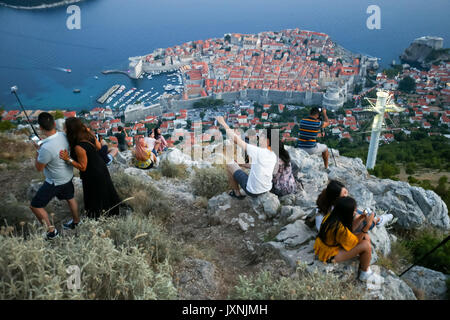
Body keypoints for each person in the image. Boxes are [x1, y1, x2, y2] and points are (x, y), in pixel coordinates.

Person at [29, 112, 80, 240]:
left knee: (35, 205)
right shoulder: (63, 135)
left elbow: (39, 168)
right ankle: (76, 221)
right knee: (70, 198)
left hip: (55, 182)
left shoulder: (45, 148)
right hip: (68, 176)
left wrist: (38, 150)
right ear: (53, 124)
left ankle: (51, 232)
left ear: (40, 128)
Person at [60, 117, 121, 219]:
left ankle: (96, 217)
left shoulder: (79, 147)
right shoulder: (89, 136)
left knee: (94, 197)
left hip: (92, 173)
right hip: (101, 167)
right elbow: (99, 147)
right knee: (106, 192)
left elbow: (83, 167)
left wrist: (68, 159)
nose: (64, 130)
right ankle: (111, 214)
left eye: (66, 128)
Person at [314, 196, 384, 283]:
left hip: (325, 245)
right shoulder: (339, 228)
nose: (355, 212)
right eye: (354, 210)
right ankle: (364, 273)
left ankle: (365, 265)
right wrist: (367, 226)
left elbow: (349, 232)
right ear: (346, 212)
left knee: (365, 237)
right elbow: (354, 242)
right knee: (366, 245)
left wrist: (361, 217)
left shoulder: (332, 216)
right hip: (329, 254)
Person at [216, 116, 277, 199]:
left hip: (253, 191)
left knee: (230, 164)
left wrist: (223, 123)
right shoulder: (273, 154)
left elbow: (236, 140)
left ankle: (237, 194)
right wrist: (242, 164)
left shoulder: (258, 151)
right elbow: (257, 166)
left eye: (262, 136)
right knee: (242, 168)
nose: (259, 138)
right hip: (267, 189)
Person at [315, 180, 394, 232]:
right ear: (336, 199)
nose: (347, 195)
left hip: (342, 223)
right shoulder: (333, 213)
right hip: (338, 234)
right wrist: (359, 218)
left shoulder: (328, 201)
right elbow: (348, 228)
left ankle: (372, 216)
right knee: (369, 222)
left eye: (346, 191)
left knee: (359, 212)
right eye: (344, 195)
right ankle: (378, 220)